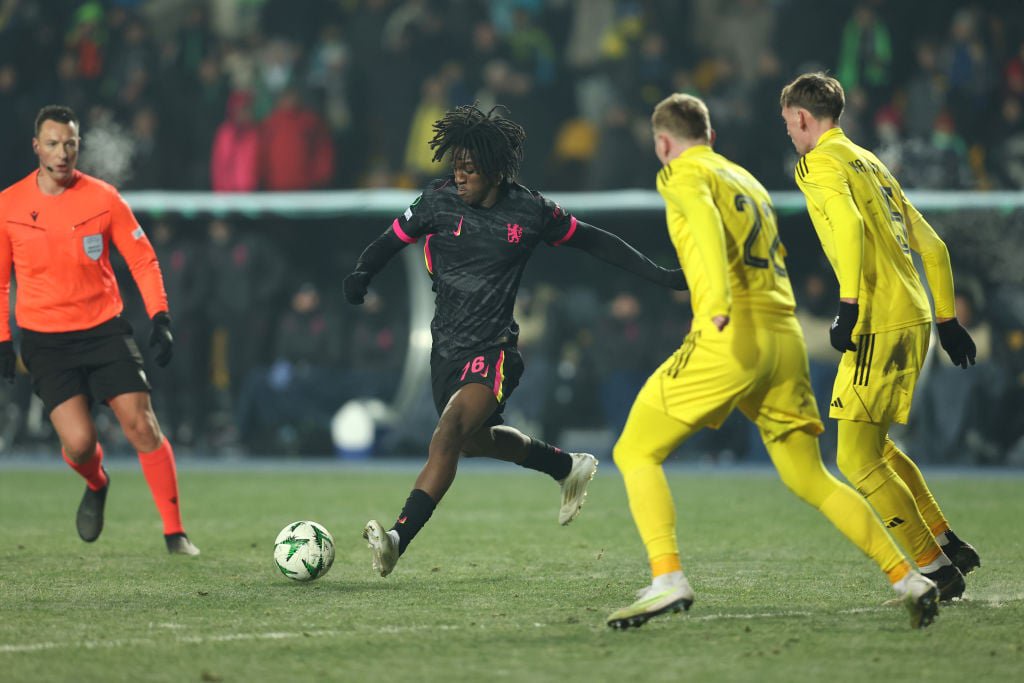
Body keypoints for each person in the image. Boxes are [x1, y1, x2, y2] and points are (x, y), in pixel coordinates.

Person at [607, 93, 940, 631]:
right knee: (810, 475)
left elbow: (706, 224)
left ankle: (667, 578)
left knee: (634, 449)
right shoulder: (748, 180)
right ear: (710, 137)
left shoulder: (679, 173)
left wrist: (714, 302)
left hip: (731, 331)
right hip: (781, 334)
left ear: (664, 144)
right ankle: (908, 577)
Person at [343, 103, 686, 578]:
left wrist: (663, 276)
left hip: (494, 351)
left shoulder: (529, 210)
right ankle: (566, 466)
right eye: (455, 167)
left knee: (447, 432)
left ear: (494, 170)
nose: (459, 177)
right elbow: (389, 239)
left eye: (469, 169)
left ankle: (398, 539)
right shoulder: (436, 202)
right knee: (472, 441)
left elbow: (596, 241)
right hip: (446, 351)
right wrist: (363, 271)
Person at [779, 72, 979, 601]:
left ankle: (934, 568)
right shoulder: (871, 163)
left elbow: (847, 227)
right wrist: (947, 320)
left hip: (878, 319)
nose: (790, 135)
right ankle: (942, 538)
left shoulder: (817, 162)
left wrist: (848, 305)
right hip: (912, 315)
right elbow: (932, 245)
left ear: (802, 117)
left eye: (789, 125)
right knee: (875, 446)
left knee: (854, 459)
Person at [0, 105, 199, 555]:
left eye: (70, 143)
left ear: (78, 146)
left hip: (104, 331)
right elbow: (0, 281)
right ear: (37, 147)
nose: (63, 152)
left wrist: (160, 317)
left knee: (142, 425)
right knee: (80, 442)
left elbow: (143, 260)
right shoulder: (8, 205)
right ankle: (96, 482)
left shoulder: (104, 198)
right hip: (46, 341)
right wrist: (3, 339)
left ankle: (175, 533)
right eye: (53, 143)